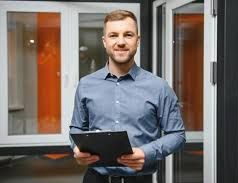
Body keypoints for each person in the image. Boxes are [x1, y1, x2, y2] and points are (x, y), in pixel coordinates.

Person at [69, 9, 185, 183]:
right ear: (104, 41)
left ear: (137, 41)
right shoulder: (86, 85)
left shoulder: (159, 87)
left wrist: (146, 152)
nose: (121, 42)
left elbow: (177, 135)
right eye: (113, 35)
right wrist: (77, 148)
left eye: (128, 35)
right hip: (95, 178)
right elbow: (76, 128)